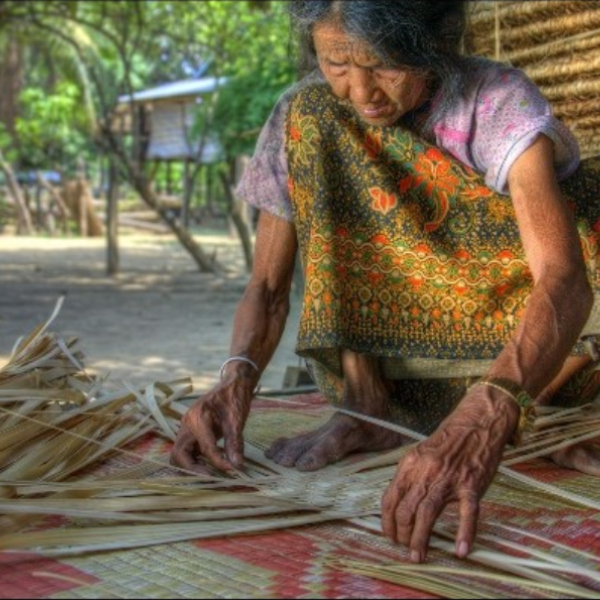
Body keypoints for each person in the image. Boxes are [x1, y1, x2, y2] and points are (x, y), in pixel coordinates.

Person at [172, 0, 600, 563]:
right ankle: (364, 406)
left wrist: (492, 410)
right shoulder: (310, 115)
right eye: (337, 63)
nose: (361, 90)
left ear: (432, 45)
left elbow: (564, 279)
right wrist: (234, 380)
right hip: (413, 383)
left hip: (540, 357)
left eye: (385, 64)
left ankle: (545, 408)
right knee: (315, 113)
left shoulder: (496, 101)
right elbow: (268, 289)